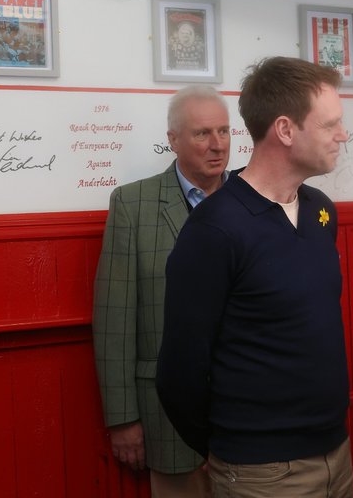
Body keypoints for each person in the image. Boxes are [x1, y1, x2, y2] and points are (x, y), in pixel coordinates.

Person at [156, 57, 353, 498]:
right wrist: (232, 451)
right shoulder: (215, 229)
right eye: (330, 125)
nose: (343, 135)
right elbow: (178, 373)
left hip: (336, 453)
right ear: (285, 130)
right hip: (261, 472)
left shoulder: (321, 210)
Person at [92, 85, 231, 498]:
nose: (217, 145)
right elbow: (114, 320)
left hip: (246, 414)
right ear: (173, 139)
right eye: (202, 133)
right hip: (166, 418)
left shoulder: (253, 200)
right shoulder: (133, 206)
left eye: (224, 132)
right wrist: (122, 420)